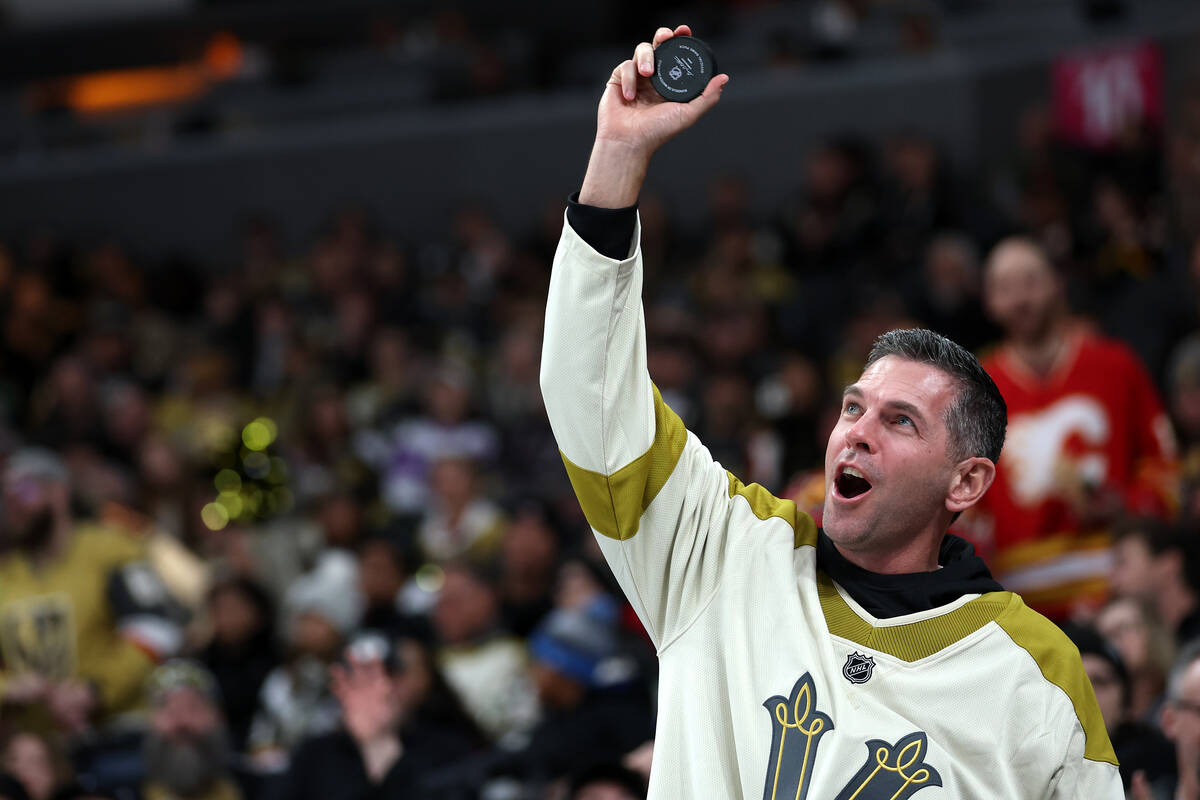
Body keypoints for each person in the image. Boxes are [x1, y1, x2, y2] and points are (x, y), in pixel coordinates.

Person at [540, 24, 1120, 798]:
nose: (858, 432)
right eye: (855, 407)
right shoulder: (724, 555)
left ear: (967, 483)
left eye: (900, 420)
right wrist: (616, 158)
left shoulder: (1037, 676)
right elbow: (591, 395)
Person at [972, 236, 1178, 618]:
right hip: (1020, 609)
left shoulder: (1116, 367)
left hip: (1117, 593)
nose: (1020, 299)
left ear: (1057, 284)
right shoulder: (977, 390)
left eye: (1031, 282)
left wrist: (1128, 507)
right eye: (1005, 288)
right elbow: (966, 503)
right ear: (989, 301)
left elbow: (1165, 468)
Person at [0, 448, 182, 732]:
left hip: (121, 731)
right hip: (40, 750)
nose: (11, 506)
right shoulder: (5, 575)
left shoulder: (111, 549)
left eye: (23, 491)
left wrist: (94, 691)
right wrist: (8, 688)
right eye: (5, 497)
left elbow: (155, 628)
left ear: (58, 492)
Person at [142, 660, 243, 800]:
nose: (182, 722)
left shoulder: (259, 789)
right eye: (169, 709)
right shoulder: (119, 791)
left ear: (219, 717)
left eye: (194, 707)